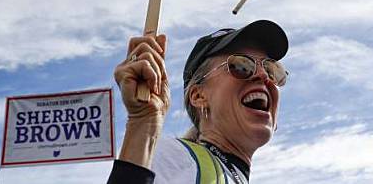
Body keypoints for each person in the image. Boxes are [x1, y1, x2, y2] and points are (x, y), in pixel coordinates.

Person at [107, 20, 289, 184]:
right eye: (241, 66)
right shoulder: (176, 158)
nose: (264, 76)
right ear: (198, 96)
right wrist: (143, 125)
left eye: (272, 69)